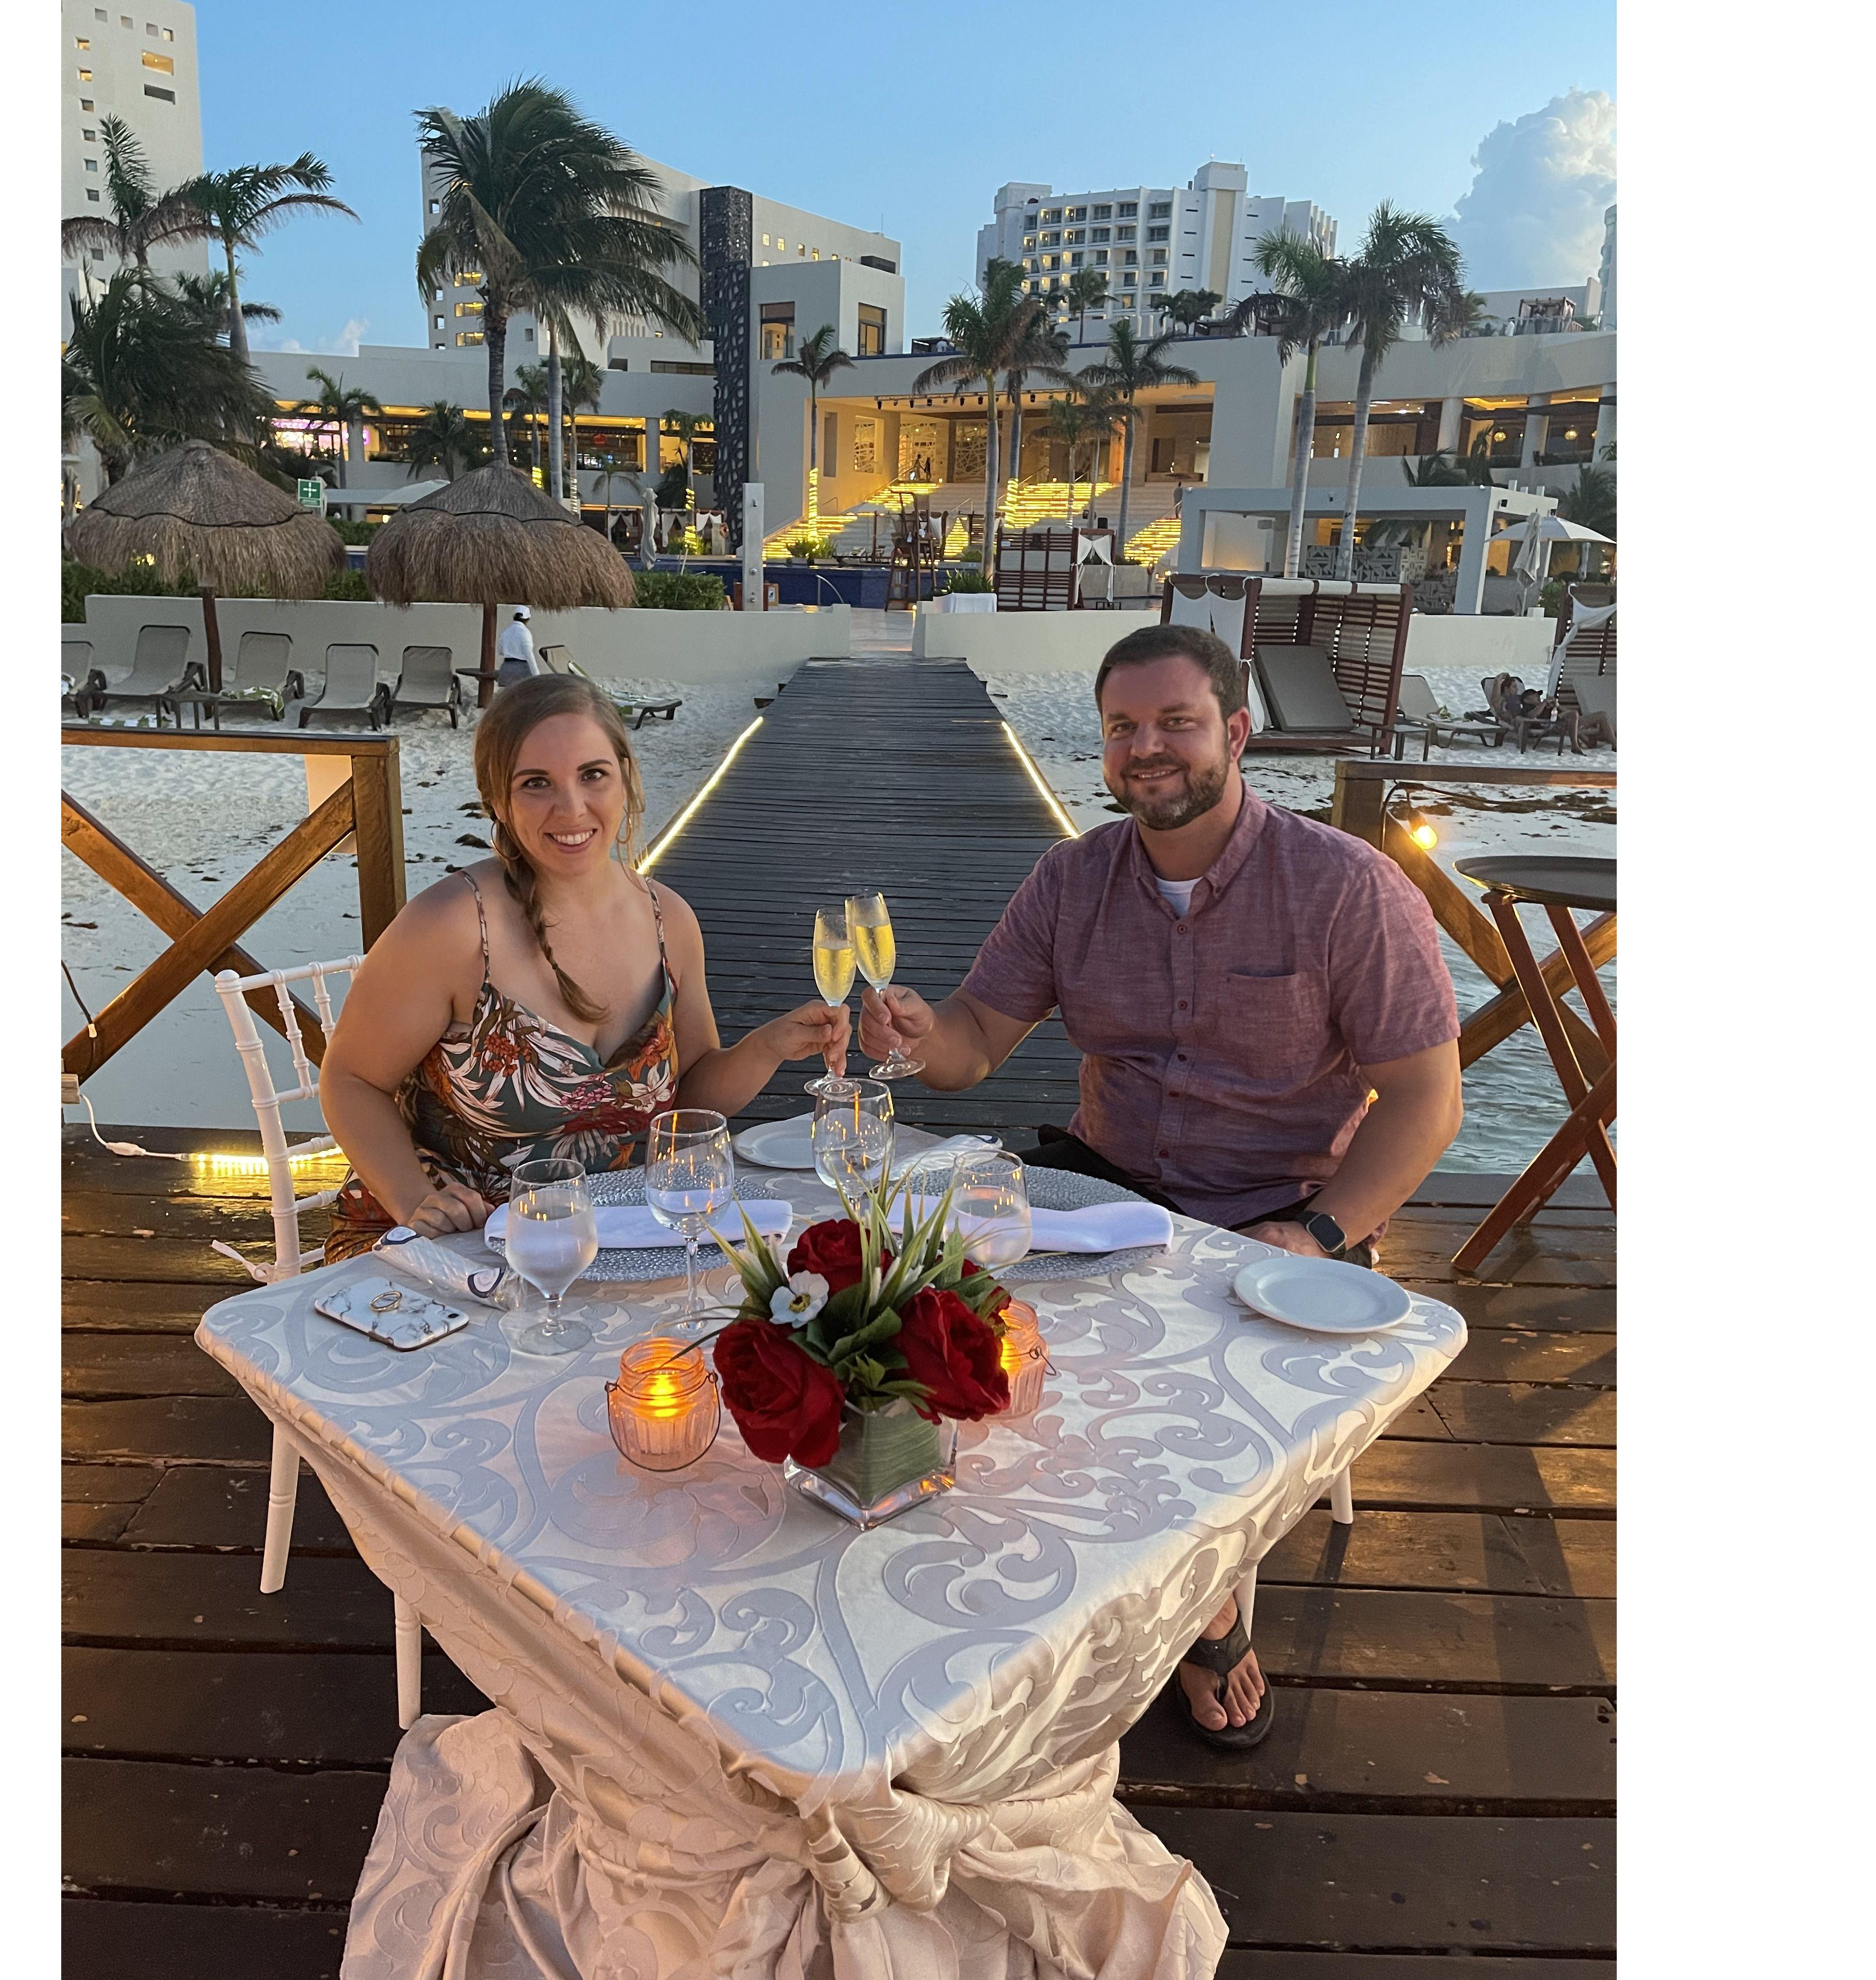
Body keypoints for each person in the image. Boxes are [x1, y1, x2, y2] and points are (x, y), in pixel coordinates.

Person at [859, 623, 1463, 1752]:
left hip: (1277, 1212)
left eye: (1177, 723)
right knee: (925, 1321)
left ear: (1235, 733)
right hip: (1108, 1192)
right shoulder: (1072, 879)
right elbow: (979, 1039)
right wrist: (915, 1034)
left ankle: (1209, 1602)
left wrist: (1319, 1233)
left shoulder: (1346, 890)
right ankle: (984, 1586)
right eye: (1125, 727)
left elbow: (1427, 1102)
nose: (1150, 749)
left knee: (1215, 1390)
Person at [319, 674, 848, 1258]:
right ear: (499, 800)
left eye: (592, 775)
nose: (571, 808)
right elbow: (350, 1080)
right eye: (536, 784)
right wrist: (412, 1196)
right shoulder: (452, 927)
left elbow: (694, 1098)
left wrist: (770, 1046)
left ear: (625, 777)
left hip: (600, 1237)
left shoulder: (668, 922)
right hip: (442, 1245)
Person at [496, 605, 537, 686]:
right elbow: (529, 655)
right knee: (523, 694)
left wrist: (511, 652)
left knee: (507, 695)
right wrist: (536, 673)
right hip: (522, 668)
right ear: (527, 619)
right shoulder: (525, 632)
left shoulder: (506, 632)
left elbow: (501, 651)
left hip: (507, 667)